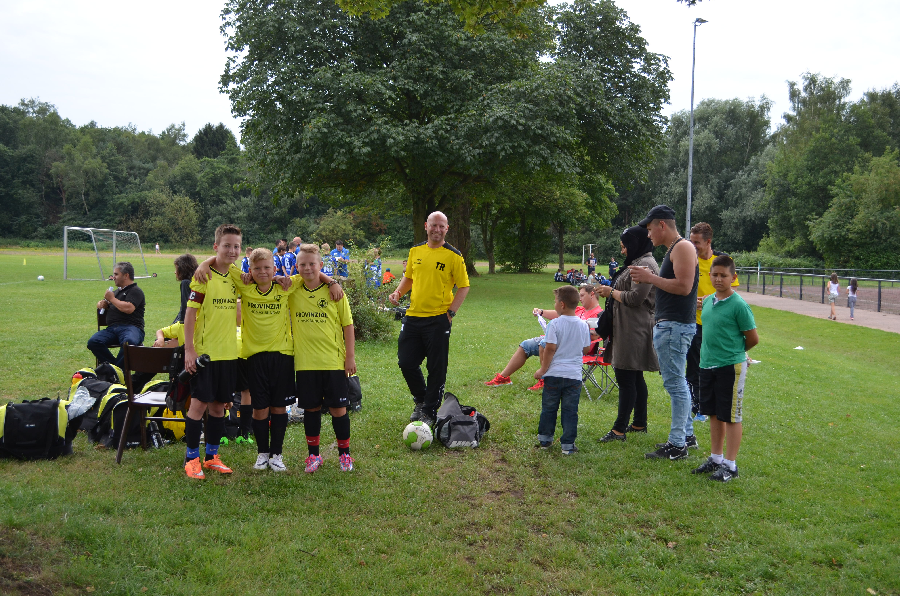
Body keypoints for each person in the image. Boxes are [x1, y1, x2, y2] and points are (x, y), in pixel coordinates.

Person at [628, 205, 699, 461]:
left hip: (674, 327)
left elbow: (683, 286)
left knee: (676, 384)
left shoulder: (682, 247)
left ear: (661, 225)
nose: (648, 236)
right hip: (672, 325)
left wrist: (650, 278)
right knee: (677, 382)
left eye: (650, 229)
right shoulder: (675, 249)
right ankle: (687, 436)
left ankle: (677, 444)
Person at [388, 211, 470, 428]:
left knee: (436, 368)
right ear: (426, 226)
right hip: (413, 316)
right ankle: (421, 399)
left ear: (447, 229)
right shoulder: (415, 251)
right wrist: (398, 292)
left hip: (438, 319)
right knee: (406, 362)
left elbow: (464, 286)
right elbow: (409, 277)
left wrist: (451, 313)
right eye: (434, 225)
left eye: (441, 226)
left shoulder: (454, 255)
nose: (437, 229)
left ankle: (429, 411)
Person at [227, 248, 300, 472]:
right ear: (249, 270)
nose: (262, 272)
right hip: (255, 357)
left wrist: (332, 282)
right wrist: (203, 265)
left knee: (279, 408)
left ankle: (277, 454)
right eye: (257, 268)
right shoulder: (245, 287)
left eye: (267, 268)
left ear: (275, 268)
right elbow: (223, 263)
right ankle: (262, 453)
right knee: (260, 408)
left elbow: (311, 274)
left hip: (282, 355)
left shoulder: (285, 286)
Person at [181, 224, 243, 480]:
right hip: (205, 354)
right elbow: (190, 314)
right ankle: (191, 459)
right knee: (198, 406)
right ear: (216, 246)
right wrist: (190, 350)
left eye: (236, 246)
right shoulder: (203, 276)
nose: (232, 250)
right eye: (227, 245)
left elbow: (261, 279)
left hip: (228, 354)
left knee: (219, 408)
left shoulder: (237, 275)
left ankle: (211, 457)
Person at [690, 255, 759, 482]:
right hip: (707, 364)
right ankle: (716, 458)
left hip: (730, 366)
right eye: (715, 275)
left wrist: (736, 353)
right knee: (714, 413)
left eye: (723, 275)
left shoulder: (739, 305)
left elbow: (752, 338)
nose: (718, 279)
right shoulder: (709, 301)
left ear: (733, 277)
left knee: (731, 416)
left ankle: (730, 465)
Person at [291, 244, 357, 473]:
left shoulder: (335, 292)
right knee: (311, 409)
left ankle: (345, 455)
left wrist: (350, 357)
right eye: (302, 264)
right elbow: (273, 280)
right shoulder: (292, 289)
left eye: (312, 264)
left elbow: (348, 326)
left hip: (333, 361)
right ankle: (313, 455)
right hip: (305, 363)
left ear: (320, 265)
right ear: (296, 266)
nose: (308, 268)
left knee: (339, 409)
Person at [596, 226, 659, 443]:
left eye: (624, 246)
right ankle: (639, 423)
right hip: (627, 327)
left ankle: (619, 430)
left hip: (633, 329)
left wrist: (610, 292)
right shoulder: (639, 261)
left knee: (625, 377)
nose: (622, 251)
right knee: (635, 376)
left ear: (634, 244)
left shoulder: (645, 265)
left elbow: (635, 298)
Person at [484, 284, 602, 390]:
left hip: (576, 347)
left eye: (582, 295)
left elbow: (595, 336)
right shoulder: (579, 309)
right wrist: (541, 312)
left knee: (545, 343)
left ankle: (545, 378)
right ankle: (503, 377)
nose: (580, 298)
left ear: (592, 294)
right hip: (560, 340)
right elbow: (559, 313)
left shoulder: (599, 313)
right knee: (526, 345)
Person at [685, 222, 739, 423]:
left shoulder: (723, 261)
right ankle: (697, 407)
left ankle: (712, 405)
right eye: (691, 242)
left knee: (714, 367)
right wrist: (692, 302)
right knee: (694, 367)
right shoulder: (689, 261)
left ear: (708, 242)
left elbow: (732, 291)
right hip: (694, 322)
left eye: (696, 243)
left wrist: (710, 300)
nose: (693, 246)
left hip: (716, 324)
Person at [534, 285, 592, 455]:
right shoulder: (583, 325)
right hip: (574, 376)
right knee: (570, 411)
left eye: (555, 301)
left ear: (562, 304)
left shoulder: (554, 324)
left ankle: (545, 439)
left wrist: (542, 369)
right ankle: (567, 445)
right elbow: (586, 349)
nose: (554, 304)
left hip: (553, 374)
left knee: (549, 408)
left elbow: (550, 348)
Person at [87, 262, 146, 367]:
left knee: (129, 342)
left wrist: (112, 299)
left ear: (126, 275)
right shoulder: (116, 292)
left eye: (116, 274)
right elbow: (103, 303)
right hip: (112, 329)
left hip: (132, 328)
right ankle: (114, 369)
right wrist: (101, 304)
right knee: (93, 342)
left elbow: (128, 308)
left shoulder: (135, 291)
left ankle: (116, 371)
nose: (113, 277)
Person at [173, 253, 198, 324]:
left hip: (187, 320)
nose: (175, 272)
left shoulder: (185, 283)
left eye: (176, 269)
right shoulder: (196, 281)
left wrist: (182, 322)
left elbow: (185, 305)